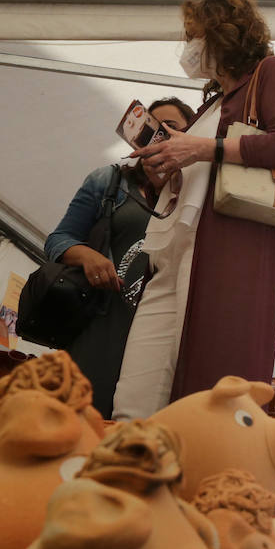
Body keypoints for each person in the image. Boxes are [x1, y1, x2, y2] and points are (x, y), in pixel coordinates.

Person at [114, 0, 275, 417]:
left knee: (206, 392)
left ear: (223, 33)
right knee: (135, 396)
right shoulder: (212, 101)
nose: (188, 46)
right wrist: (163, 171)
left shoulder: (273, 73)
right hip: (173, 252)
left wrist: (202, 148)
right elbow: (201, 167)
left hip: (224, 250)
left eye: (194, 35)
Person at [45, 98, 196, 417]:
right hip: (101, 328)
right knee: (81, 424)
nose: (163, 135)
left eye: (174, 129)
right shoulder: (109, 181)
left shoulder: (197, 195)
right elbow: (58, 240)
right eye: (154, 127)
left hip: (162, 335)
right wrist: (87, 255)